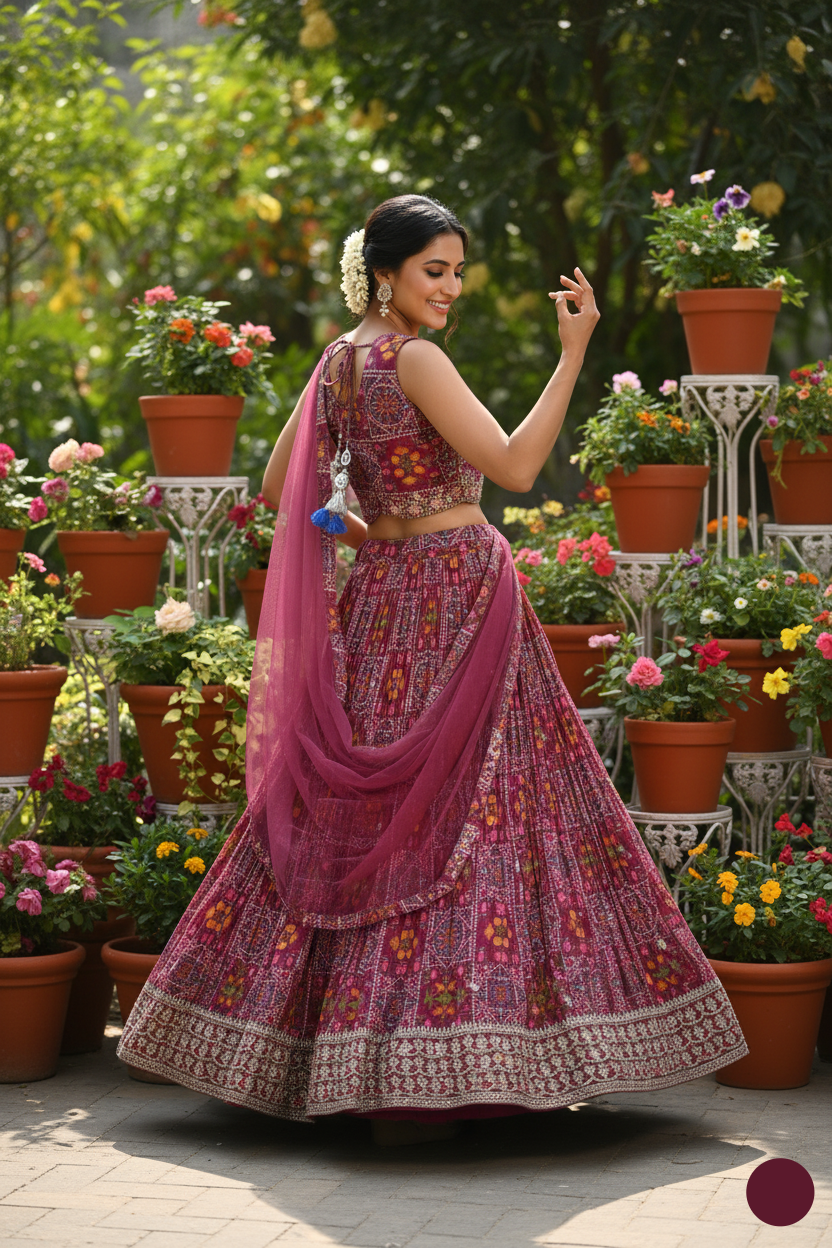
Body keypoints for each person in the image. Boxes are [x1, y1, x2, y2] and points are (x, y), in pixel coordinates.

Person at [118, 194, 747, 1134]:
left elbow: (280, 486)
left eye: (457, 271)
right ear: (386, 272)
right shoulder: (414, 357)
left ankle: (307, 1052)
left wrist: (369, 524)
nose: (448, 288)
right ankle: (460, 1055)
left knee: (359, 809)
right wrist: (573, 356)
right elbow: (518, 466)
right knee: (489, 804)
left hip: (378, 597)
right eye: (434, 271)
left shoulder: (336, 363)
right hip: (458, 590)